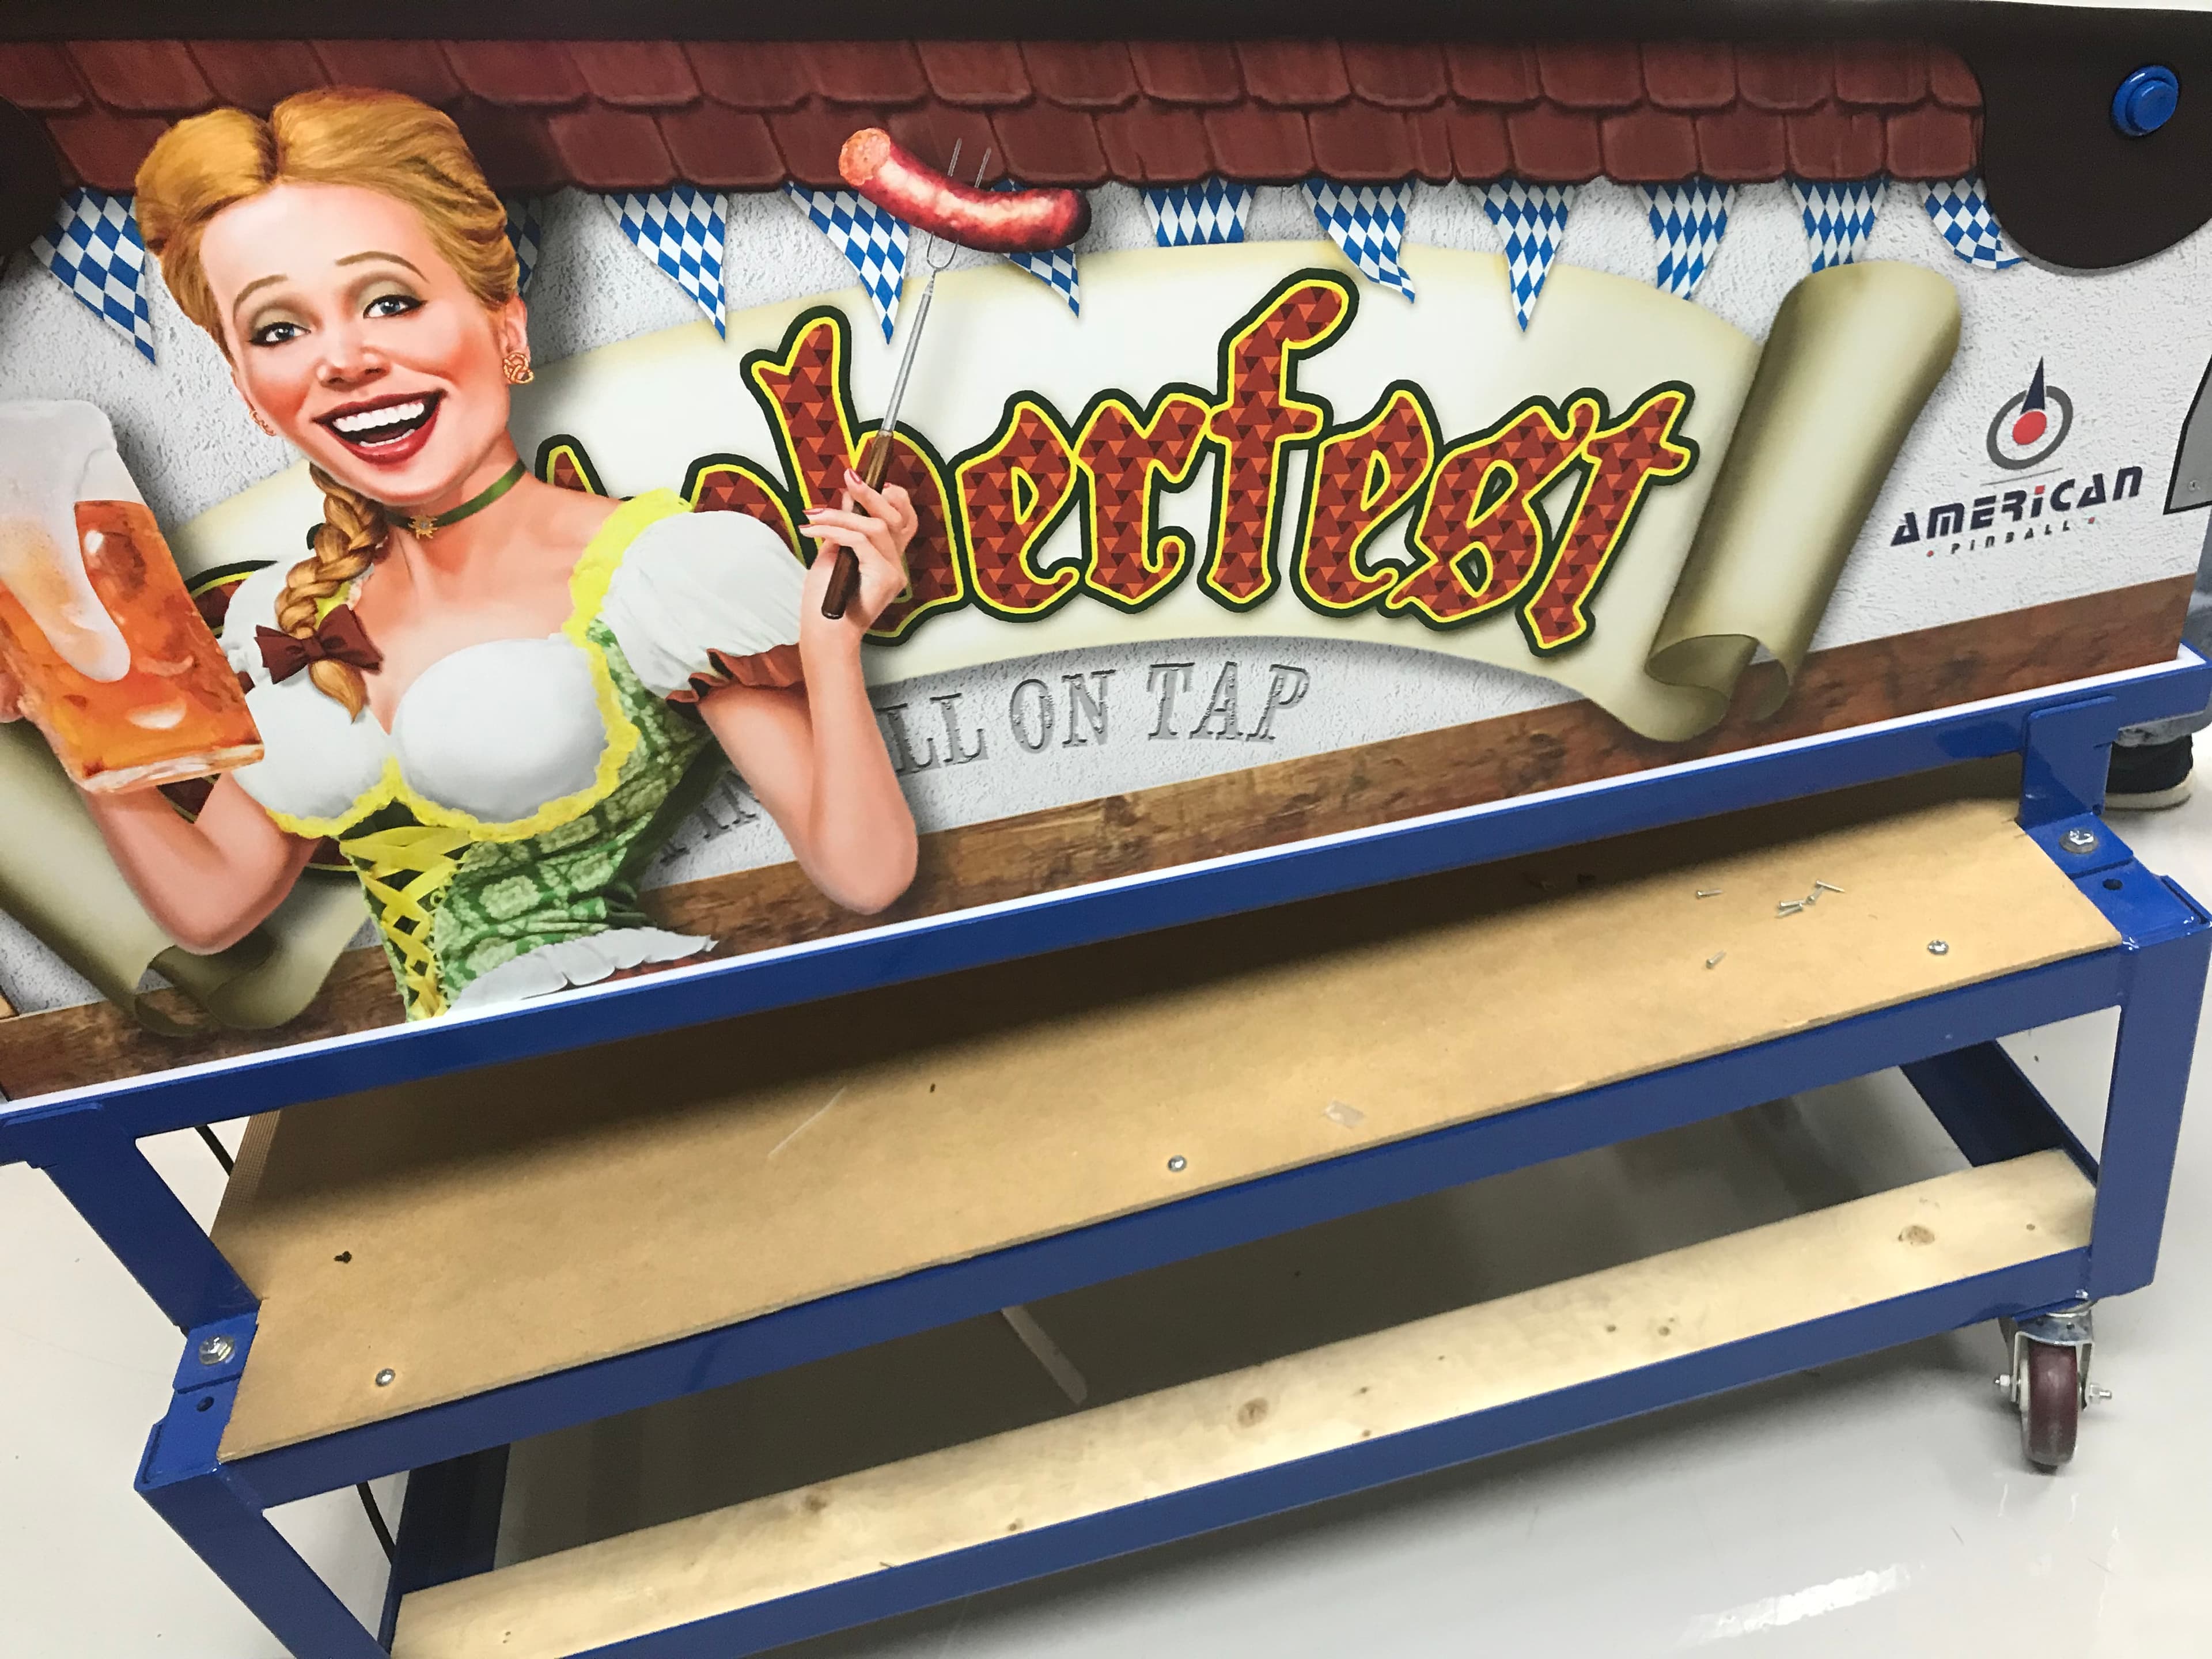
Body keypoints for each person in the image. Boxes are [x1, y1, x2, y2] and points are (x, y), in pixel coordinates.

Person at [0, 89, 919, 1018]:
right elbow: (210, 909)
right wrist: (61, 710)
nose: (345, 360)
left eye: (390, 301)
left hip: (641, 1038)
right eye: (281, 329)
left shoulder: (668, 568)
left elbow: (866, 874)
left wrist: (831, 648)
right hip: (439, 1093)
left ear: (505, 327)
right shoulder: (283, 614)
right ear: (247, 389)